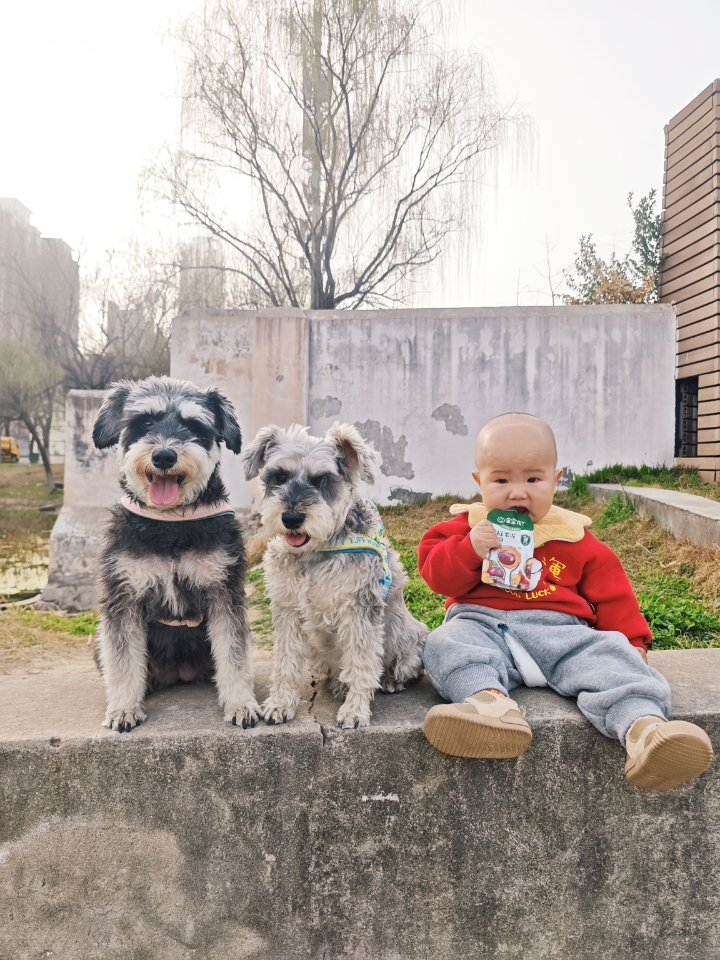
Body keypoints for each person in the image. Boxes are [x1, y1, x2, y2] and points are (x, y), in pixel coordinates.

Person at [418, 412, 713, 791]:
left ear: (556, 480)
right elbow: (436, 576)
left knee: (609, 656)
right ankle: (490, 706)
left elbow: (612, 592)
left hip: (560, 632)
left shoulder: (573, 536)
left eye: (533, 479)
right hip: (482, 624)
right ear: (479, 482)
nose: (517, 491)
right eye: (501, 479)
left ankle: (645, 730)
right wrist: (470, 548)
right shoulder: (466, 527)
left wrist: (632, 641)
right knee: (445, 642)